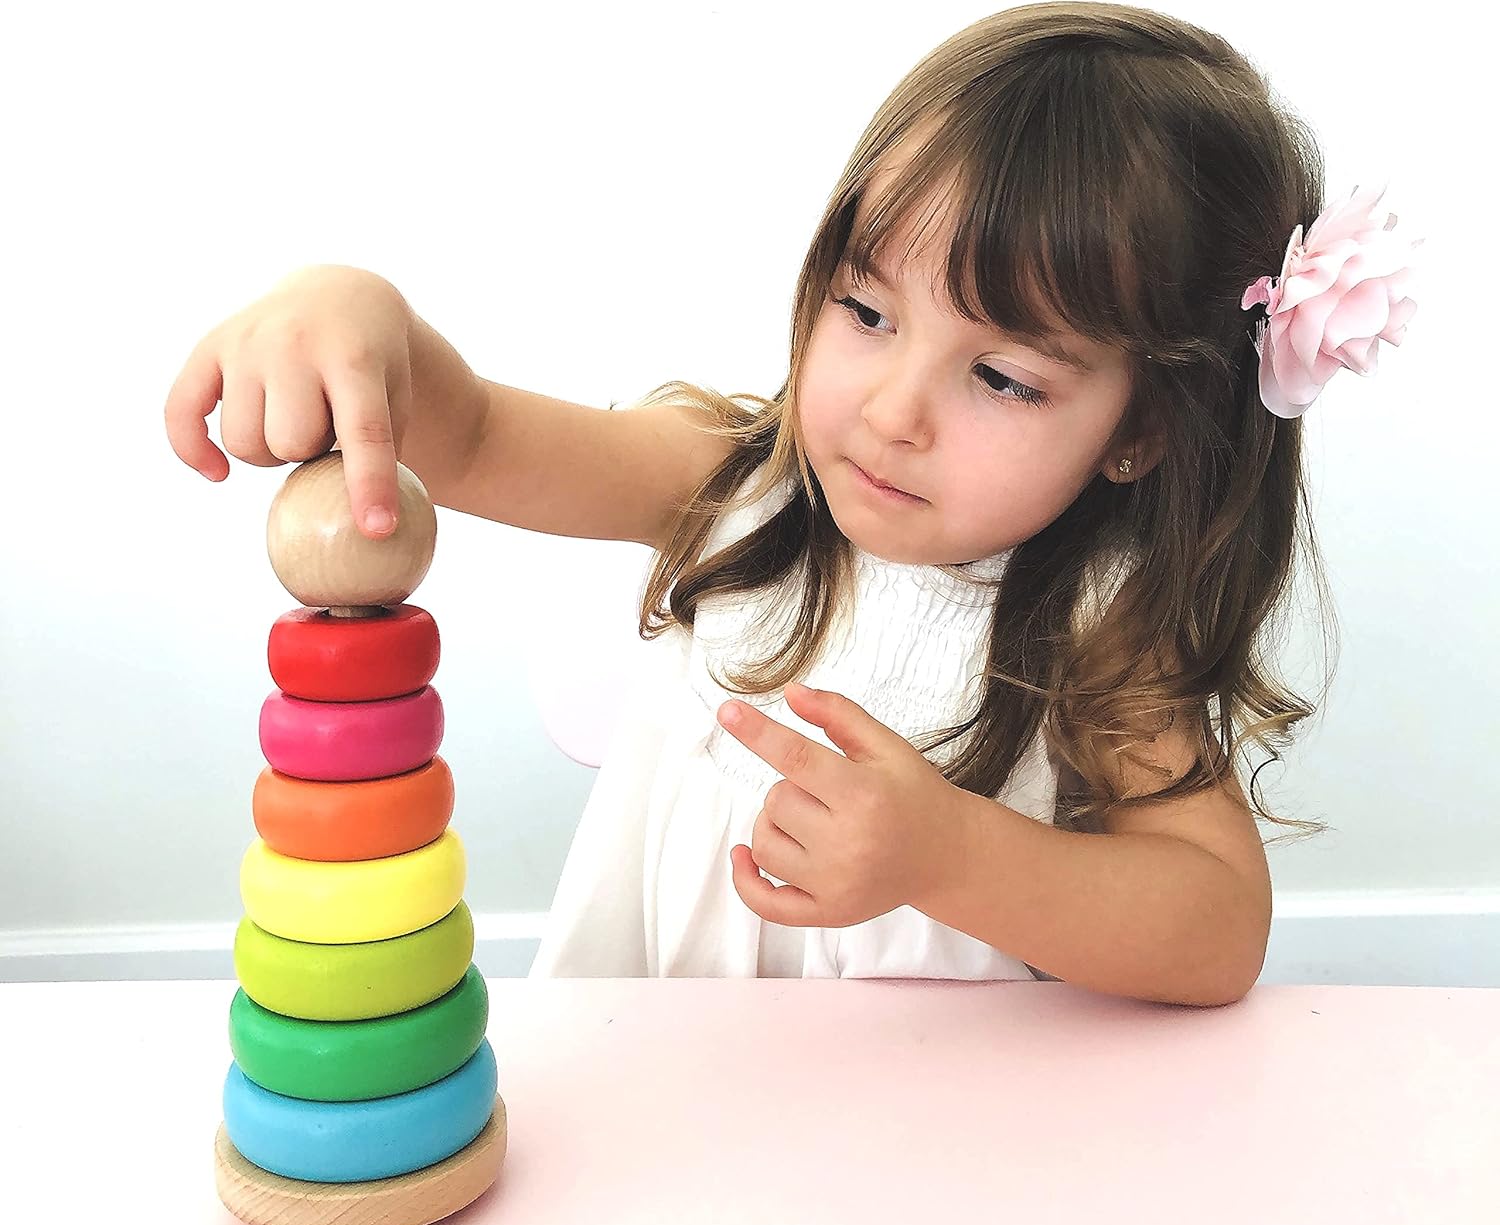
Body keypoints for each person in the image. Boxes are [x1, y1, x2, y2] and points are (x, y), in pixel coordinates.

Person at [164, 3, 1420, 1006]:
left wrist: (947, 855)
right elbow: (479, 435)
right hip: (661, 1066)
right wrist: (359, 312)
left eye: (1001, 377)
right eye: (867, 313)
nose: (890, 410)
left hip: (933, 1143)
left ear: (1138, 432)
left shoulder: (1096, 630)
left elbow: (1213, 929)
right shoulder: (733, 484)